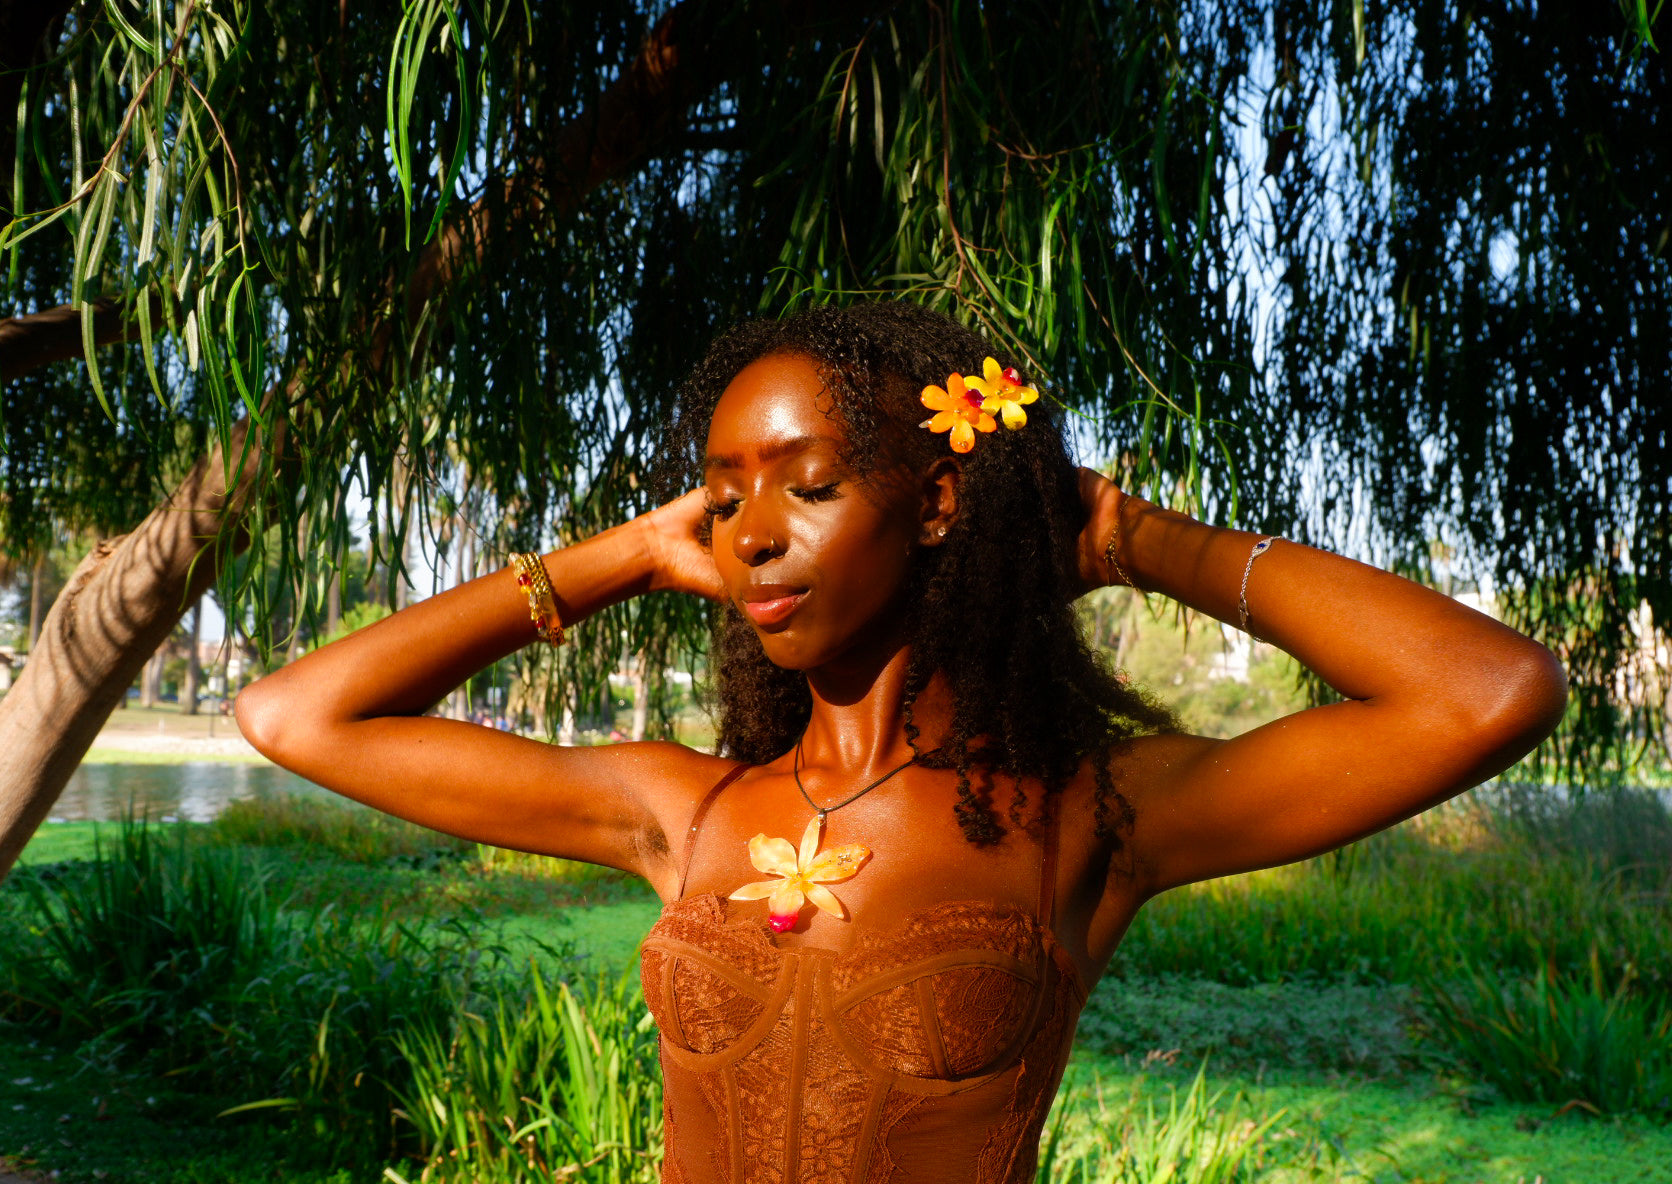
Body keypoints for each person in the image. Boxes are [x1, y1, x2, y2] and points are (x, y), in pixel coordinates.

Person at [236, 303, 1567, 1183]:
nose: (750, 531)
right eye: (721, 497)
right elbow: (296, 716)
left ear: (939, 503)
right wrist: (623, 557)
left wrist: (1129, 539)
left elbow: (1487, 692)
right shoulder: (684, 811)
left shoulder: (1087, 816)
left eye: (806, 487)